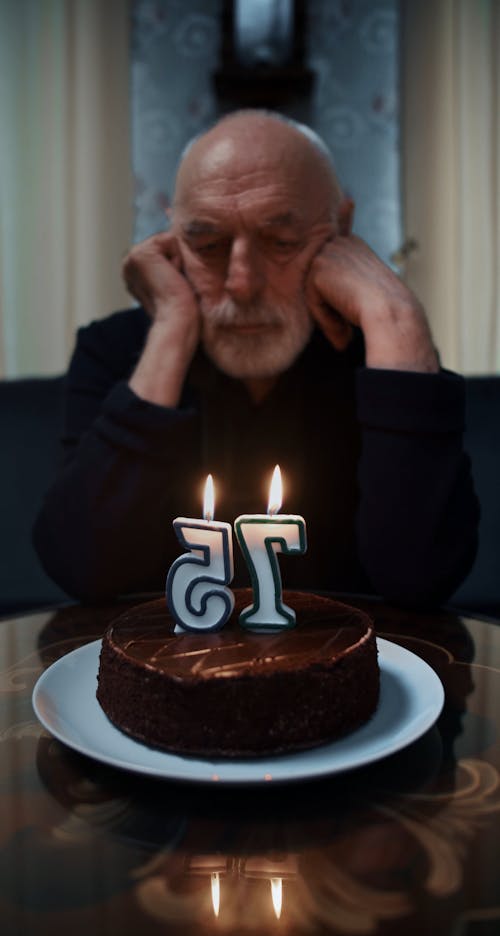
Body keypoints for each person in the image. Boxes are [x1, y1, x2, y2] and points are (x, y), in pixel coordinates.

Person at [33, 110, 479, 606]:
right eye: (207, 245)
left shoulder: (388, 357)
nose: (242, 283)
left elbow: (422, 580)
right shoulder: (114, 350)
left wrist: (395, 316)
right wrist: (171, 328)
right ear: (173, 241)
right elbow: (80, 569)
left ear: (341, 228)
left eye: (281, 242)